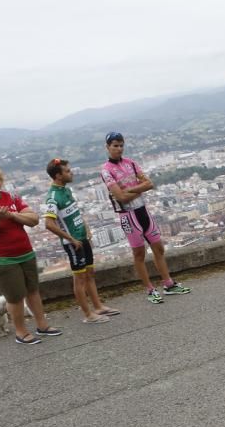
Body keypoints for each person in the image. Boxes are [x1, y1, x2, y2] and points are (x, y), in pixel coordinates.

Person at [0, 164, 59, 344]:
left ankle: (42, 325)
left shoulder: (11, 198)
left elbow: (33, 219)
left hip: (25, 253)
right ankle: (21, 332)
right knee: (15, 297)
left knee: (33, 291)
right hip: (1, 259)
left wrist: (13, 216)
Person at [100, 132, 191, 304]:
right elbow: (121, 198)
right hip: (127, 215)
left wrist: (130, 190)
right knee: (139, 253)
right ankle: (150, 289)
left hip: (143, 211)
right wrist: (137, 189)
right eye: (115, 145)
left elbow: (149, 184)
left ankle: (168, 284)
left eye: (121, 145)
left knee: (159, 249)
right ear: (107, 147)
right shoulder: (106, 171)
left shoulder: (131, 163)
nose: (119, 149)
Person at [43, 159, 119, 324]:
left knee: (90, 273)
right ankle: (88, 314)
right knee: (80, 278)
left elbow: (75, 212)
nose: (71, 173)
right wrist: (70, 239)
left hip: (82, 237)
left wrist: (86, 228)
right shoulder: (53, 197)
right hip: (73, 242)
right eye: (67, 171)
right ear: (58, 175)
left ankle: (98, 306)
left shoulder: (66, 190)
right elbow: (48, 223)